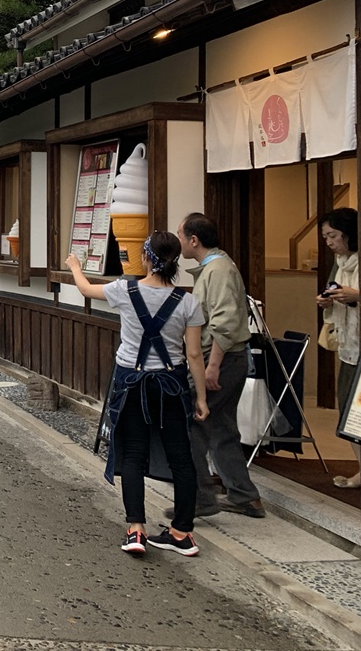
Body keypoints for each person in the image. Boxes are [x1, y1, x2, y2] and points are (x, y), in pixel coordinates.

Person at [66, 232, 209, 558]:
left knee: (133, 454)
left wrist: (75, 265)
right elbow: (195, 355)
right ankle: (182, 533)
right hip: (172, 386)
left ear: (146, 257)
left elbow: (86, 289)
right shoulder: (187, 302)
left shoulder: (124, 291)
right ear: (175, 261)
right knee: (181, 458)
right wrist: (200, 398)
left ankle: (136, 530)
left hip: (131, 384)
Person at [177, 212, 265, 519]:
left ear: (194, 240)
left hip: (223, 360)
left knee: (193, 426)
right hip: (230, 358)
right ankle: (244, 497)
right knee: (222, 427)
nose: (180, 243)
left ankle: (201, 498)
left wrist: (211, 367)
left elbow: (225, 323)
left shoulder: (219, 270)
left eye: (181, 236)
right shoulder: (216, 267)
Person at [316, 207, 361, 490]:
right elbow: (334, 288)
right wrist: (328, 300)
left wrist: (357, 296)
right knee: (348, 412)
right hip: (349, 344)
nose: (329, 242)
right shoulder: (340, 260)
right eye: (325, 237)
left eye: (333, 235)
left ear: (349, 233)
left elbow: (358, 295)